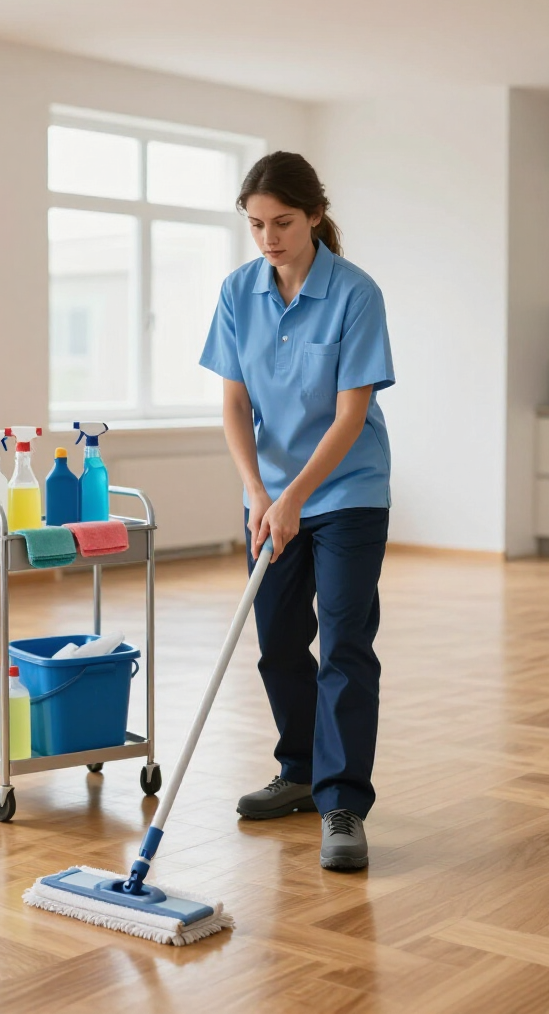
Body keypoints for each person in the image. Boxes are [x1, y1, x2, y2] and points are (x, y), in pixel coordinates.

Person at [199, 151, 394, 870]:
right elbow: (233, 401)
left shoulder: (354, 294)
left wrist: (295, 496)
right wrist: (258, 493)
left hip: (346, 494)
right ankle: (302, 773)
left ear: (314, 214)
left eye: (283, 222)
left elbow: (350, 415)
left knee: (344, 643)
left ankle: (343, 802)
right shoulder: (236, 293)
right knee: (278, 641)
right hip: (270, 498)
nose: (269, 238)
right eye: (255, 224)